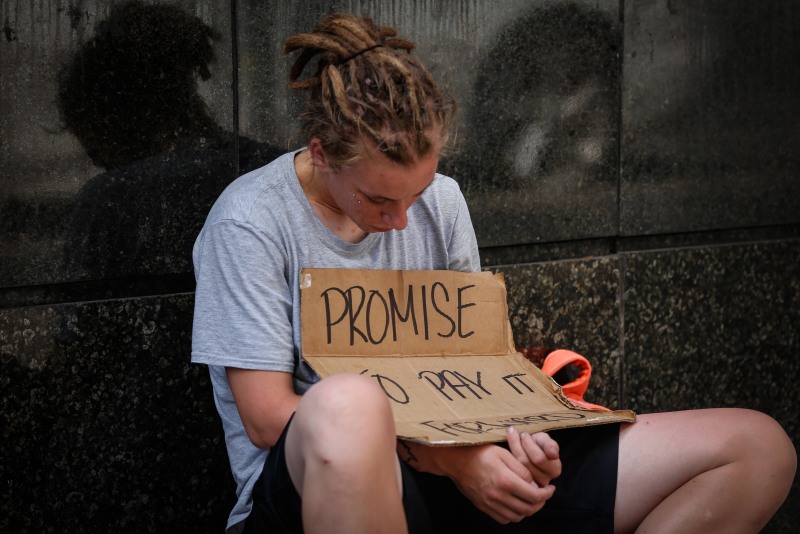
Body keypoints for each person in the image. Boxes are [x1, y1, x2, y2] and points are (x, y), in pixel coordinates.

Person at [191, 12, 796, 534]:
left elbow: (473, 367)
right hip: (323, 489)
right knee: (349, 405)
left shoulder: (443, 202)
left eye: (417, 193)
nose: (404, 221)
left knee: (755, 447)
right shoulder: (250, 222)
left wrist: (518, 433)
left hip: (459, 471)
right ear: (322, 154)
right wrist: (452, 460)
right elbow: (268, 417)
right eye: (379, 201)